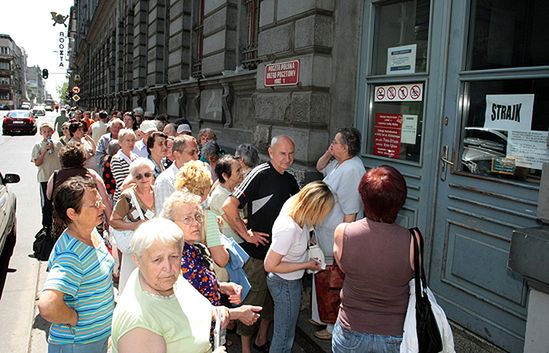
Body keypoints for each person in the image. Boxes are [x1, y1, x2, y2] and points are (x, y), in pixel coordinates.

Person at [111, 218, 261, 353]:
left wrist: (233, 313)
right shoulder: (138, 322)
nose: (168, 267)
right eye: (157, 260)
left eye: (174, 256)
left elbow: (190, 309)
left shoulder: (166, 279)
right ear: (137, 260)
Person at [222, 135, 300, 353]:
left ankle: (261, 340)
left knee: (270, 305)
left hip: (279, 256)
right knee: (253, 301)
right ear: (271, 152)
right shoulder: (259, 173)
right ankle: (245, 348)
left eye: (291, 153)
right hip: (257, 256)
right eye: (283, 153)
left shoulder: (290, 180)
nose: (288, 158)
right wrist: (247, 234)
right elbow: (229, 206)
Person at [331, 165, 414, 353]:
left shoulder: (343, 232)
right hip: (393, 333)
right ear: (400, 201)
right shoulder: (413, 241)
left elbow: (345, 268)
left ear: (364, 198)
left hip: (350, 330)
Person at [37, 177, 115, 353]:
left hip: (97, 339)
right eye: (94, 205)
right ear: (73, 213)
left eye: (100, 202)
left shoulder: (91, 232)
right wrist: (73, 318)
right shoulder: (71, 255)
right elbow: (47, 305)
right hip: (79, 344)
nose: (102, 207)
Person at [264, 181, 335, 353]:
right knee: (284, 336)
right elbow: (270, 265)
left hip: (288, 283)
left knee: (286, 333)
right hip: (284, 284)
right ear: (315, 208)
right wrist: (306, 264)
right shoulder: (289, 228)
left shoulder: (296, 208)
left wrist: (307, 241)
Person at [311, 127, 366, 340]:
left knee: (334, 281)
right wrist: (329, 151)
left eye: (335, 142)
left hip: (336, 235)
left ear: (346, 147)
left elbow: (350, 212)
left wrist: (343, 245)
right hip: (326, 232)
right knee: (323, 275)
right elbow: (319, 166)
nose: (331, 144)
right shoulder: (338, 164)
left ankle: (332, 327)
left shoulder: (351, 169)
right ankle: (321, 316)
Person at [46, 143, 113, 239]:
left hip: (64, 224)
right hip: (90, 223)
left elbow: (49, 196)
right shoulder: (91, 174)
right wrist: (110, 221)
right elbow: (105, 199)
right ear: (82, 159)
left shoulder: (55, 176)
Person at [110, 158, 156, 293]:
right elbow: (113, 221)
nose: (144, 179)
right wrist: (134, 225)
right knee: (134, 289)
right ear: (133, 179)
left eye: (147, 174)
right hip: (135, 250)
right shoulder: (128, 196)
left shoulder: (159, 192)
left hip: (155, 247)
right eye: (138, 176)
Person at [174, 160, 229, 271]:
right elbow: (221, 259)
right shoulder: (207, 218)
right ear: (204, 188)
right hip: (202, 277)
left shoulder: (172, 212)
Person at [154, 134, 199, 214]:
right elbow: (163, 216)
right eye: (192, 153)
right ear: (177, 154)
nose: (196, 157)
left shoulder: (198, 175)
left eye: (197, 152)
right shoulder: (165, 180)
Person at [31, 121, 62, 232]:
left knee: (59, 202)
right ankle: (46, 226)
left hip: (57, 177)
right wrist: (44, 151)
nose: (47, 133)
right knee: (46, 204)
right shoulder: (38, 146)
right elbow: (37, 163)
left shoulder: (58, 144)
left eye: (49, 131)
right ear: (41, 133)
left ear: (52, 132)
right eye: (44, 131)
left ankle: (59, 224)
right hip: (44, 178)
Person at [209, 155, 244, 243]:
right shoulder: (219, 195)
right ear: (225, 175)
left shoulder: (234, 189)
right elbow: (235, 225)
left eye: (241, 169)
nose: (242, 172)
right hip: (232, 244)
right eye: (238, 171)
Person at [111, 128, 138, 204]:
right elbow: (121, 184)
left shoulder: (136, 157)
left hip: (136, 198)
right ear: (120, 142)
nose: (131, 143)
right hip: (122, 200)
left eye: (133, 140)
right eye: (128, 140)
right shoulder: (116, 159)